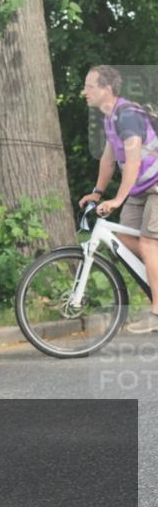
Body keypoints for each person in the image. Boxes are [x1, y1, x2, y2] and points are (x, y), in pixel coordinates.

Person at [78, 64, 158, 333]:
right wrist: (98, 193)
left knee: (148, 244)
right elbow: (109, 159)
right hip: (139, 189)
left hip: (156, 185)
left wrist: (118, 199)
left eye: (90, 86)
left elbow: (133, 162)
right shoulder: (110, 117)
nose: (84, 91)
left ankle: (157, 313)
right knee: (122, 240)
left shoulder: (128, 115)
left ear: (107, 89)